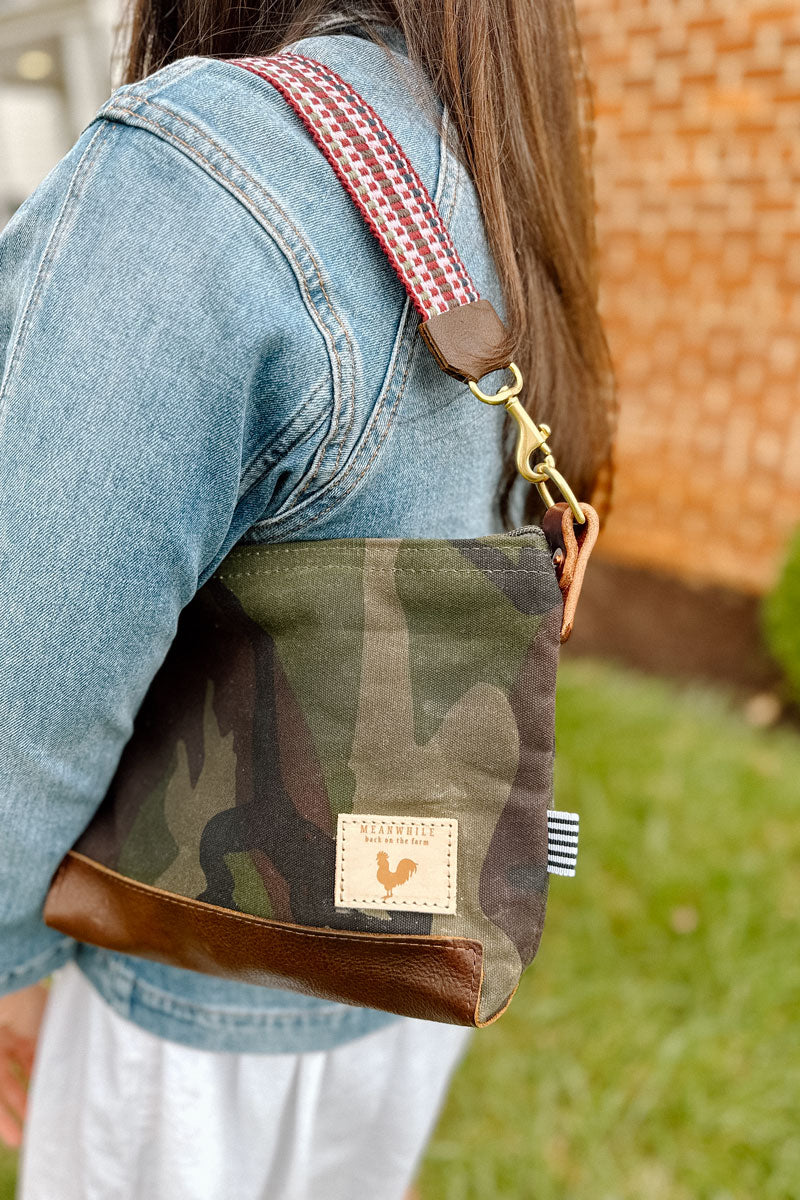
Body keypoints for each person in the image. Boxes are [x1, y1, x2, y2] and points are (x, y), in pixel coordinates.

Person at [0, 3, 614, 1197]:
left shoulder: (208, 162)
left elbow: (25, 685)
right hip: (393, 986)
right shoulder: (503, 162)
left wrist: (11, 966)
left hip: (168, 1028)